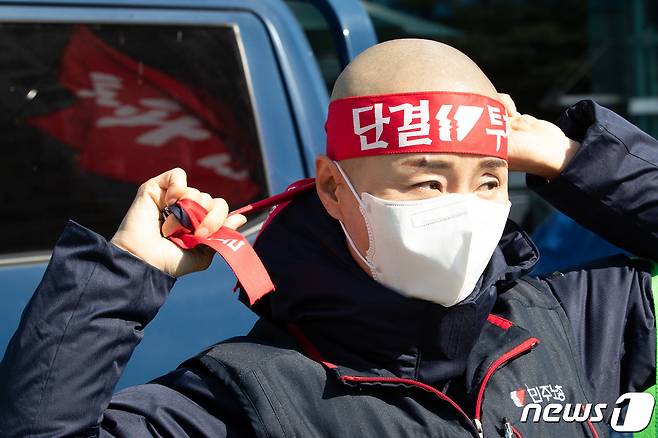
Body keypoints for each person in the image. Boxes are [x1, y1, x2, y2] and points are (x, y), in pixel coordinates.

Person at [1, 39, 656, 437]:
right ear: (334, 189)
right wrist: (121, 276)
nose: (465, 209)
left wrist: (568, 154)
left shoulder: (573, 324)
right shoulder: (248, 395)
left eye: (488, 181)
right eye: (427, 182)